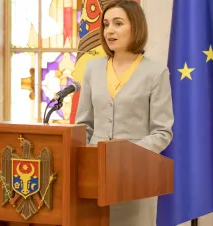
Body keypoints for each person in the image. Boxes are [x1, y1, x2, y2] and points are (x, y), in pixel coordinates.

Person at [74, 0, 174, 225]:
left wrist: (126, 155)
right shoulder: (92, 69)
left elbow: (162, 132)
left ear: (135, 27)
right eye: (106, 24)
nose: (110, 30)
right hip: (95, 178)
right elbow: (84, 126)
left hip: (137, 177)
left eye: (118, 23)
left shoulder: (156, 72)